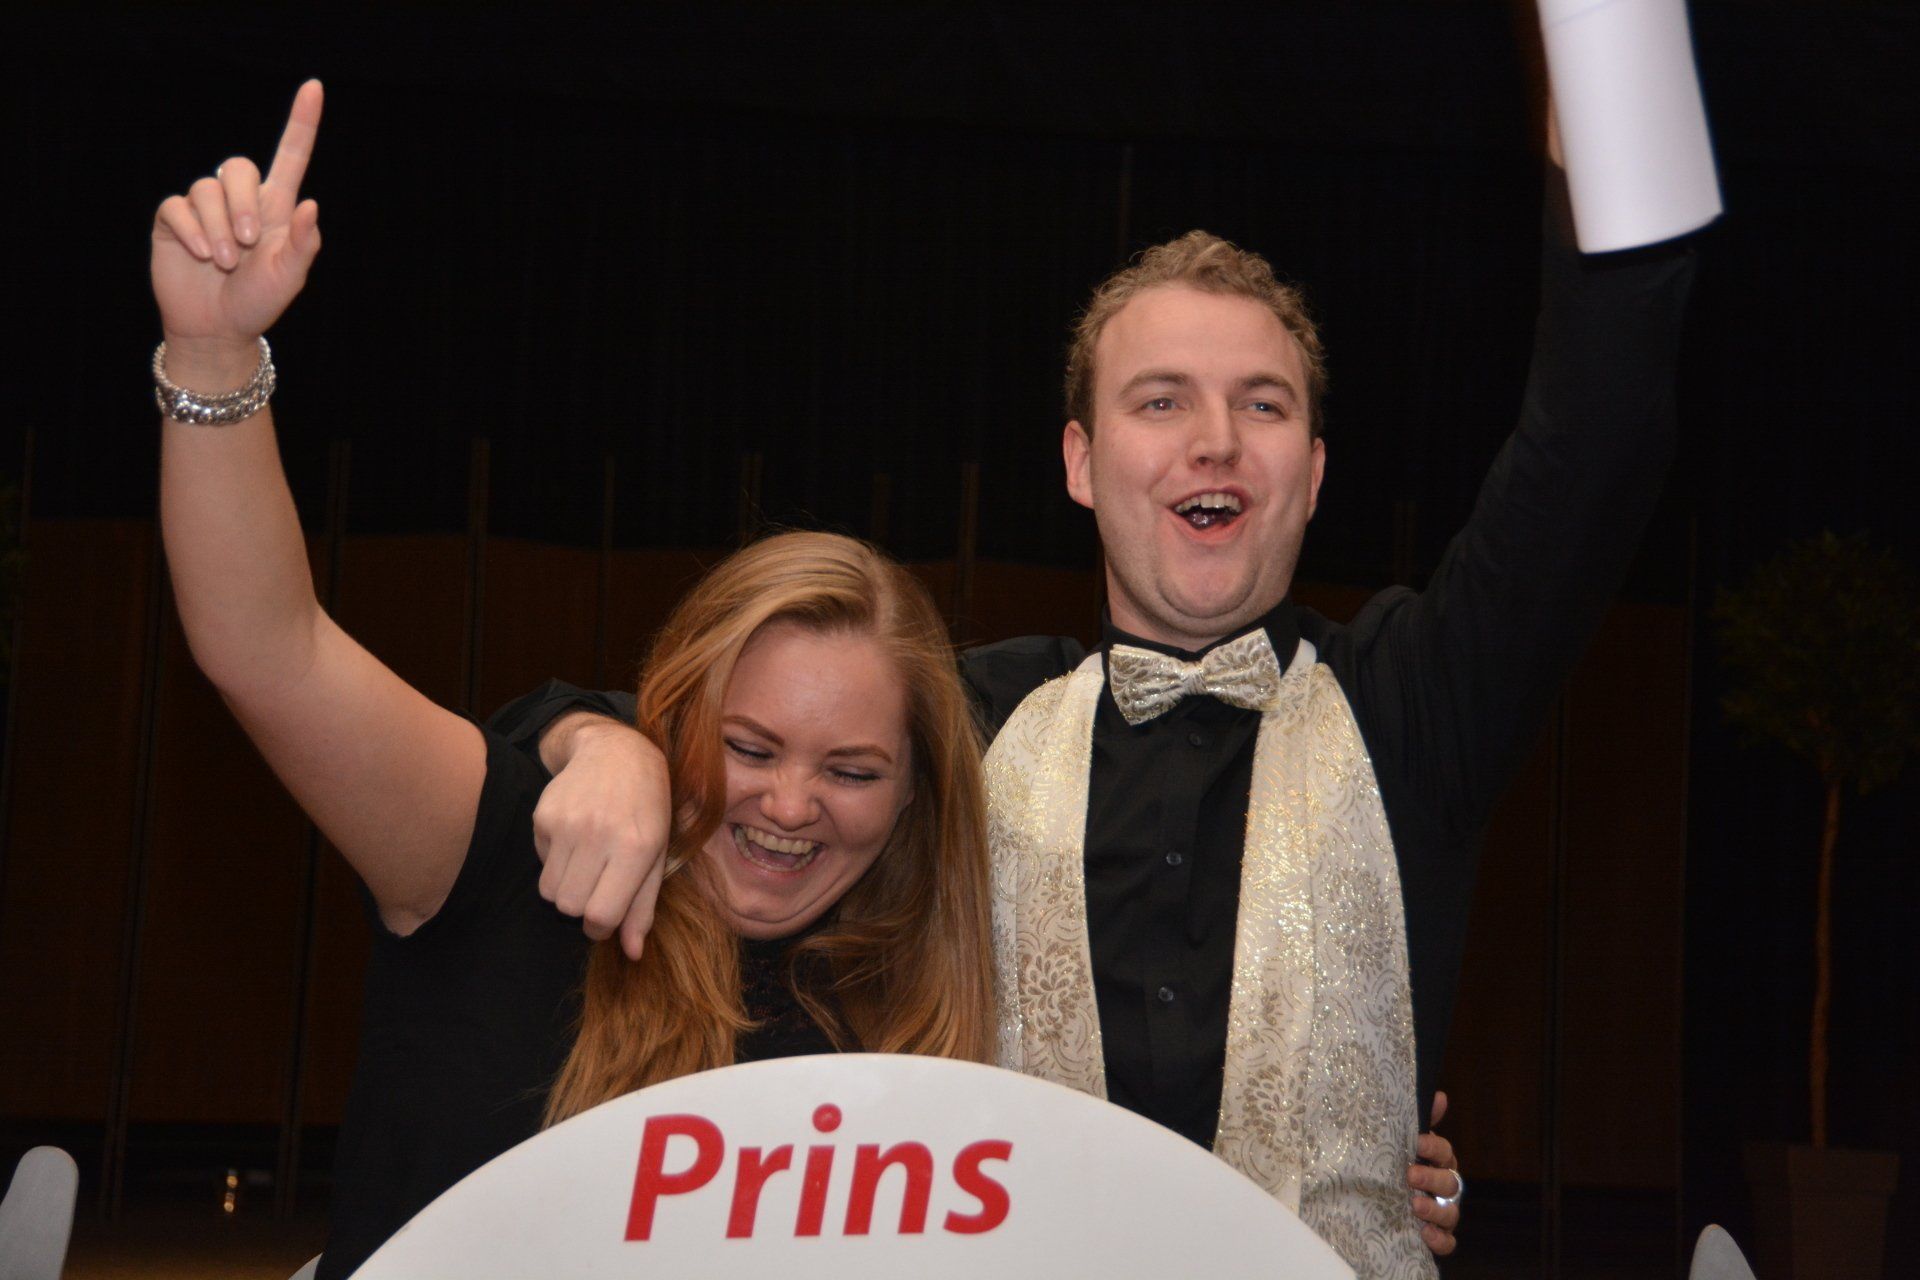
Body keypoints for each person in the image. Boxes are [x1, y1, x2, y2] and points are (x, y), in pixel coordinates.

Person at [506, 104, 1698, 1276]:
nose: (1216, 437)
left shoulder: (1417, 704)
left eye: (1263, 403)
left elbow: (1597, 433)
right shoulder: (973, 712)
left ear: (1313, 471)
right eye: (1161, 399)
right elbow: (726, 749)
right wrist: (602, 745)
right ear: (1081, 461)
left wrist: (1607, 83)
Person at [148, 82, 994, 1280]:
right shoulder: (502, 856)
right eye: (749, 747)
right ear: (675, 713)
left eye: (852, 770)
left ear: (912, 796)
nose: (790, 803)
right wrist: (212, 349)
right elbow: (266, 647)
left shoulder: (904, 1027)